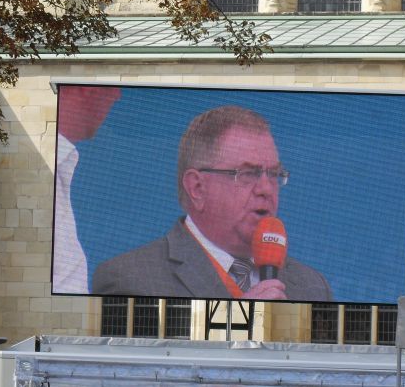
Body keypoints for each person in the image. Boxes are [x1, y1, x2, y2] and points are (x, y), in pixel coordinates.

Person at [92, 105, 332, 301]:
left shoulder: (312, 287)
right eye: (247, 174)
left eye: (274, 174)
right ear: (197, 187)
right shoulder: (129, 279)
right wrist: (237, 322)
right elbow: (140, 360)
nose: (266, 189)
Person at [52, 85, 121, 294]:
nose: (117, 96)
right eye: (111, 87)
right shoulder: (29, 167)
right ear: (85, 88)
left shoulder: (63, 164)